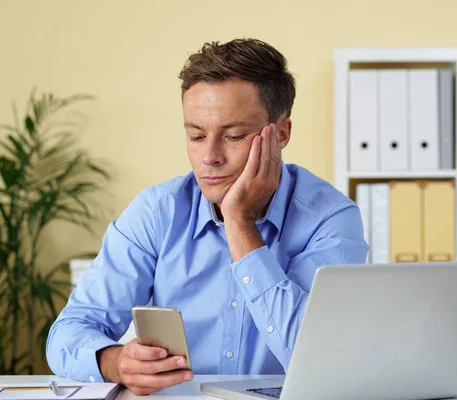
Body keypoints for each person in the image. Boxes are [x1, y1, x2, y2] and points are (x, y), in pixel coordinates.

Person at [46, 38, 368, 396]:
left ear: (281, 133)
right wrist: (113, 360)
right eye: (196, 136)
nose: (210, 157)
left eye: (233, 135)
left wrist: (239, 222)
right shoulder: (158, 211)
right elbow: (70, 331)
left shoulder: (331, 219)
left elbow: (317, 359)